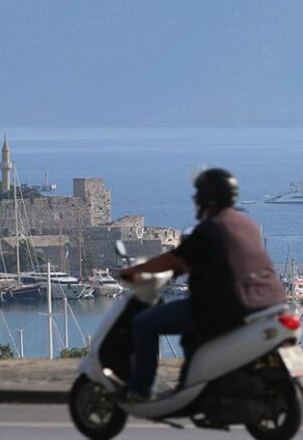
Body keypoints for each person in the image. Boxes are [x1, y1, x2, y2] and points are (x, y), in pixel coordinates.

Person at [119, 168, 287, 401]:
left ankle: (140, 389)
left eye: (198, 194)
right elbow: (219, 258)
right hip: (269, 302)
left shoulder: (210, 229)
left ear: (207, 197)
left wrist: (133, 271)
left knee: (143, 323)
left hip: (226, 307)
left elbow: (173, 259)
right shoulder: (246, 223)